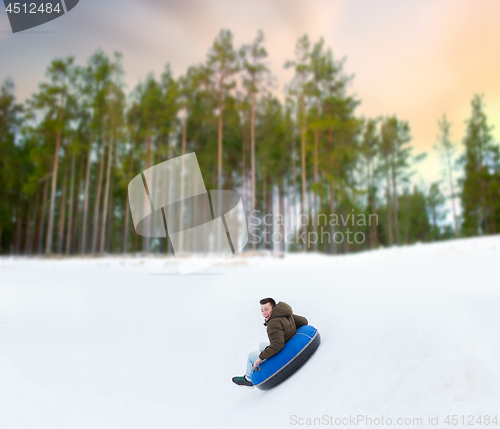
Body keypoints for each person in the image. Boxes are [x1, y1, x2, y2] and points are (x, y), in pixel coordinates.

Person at [232, 297, 308, 387]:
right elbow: (304, 321)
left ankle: (248, 379)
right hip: (287, 342)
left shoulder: (273, 323)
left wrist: (260, 357)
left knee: (251, 356)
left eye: (266, 309)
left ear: (274, 308)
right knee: (261, 345)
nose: (264, 313)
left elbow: (277, 345)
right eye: (262, 310)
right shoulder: (285, 314)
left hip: (282, 350)